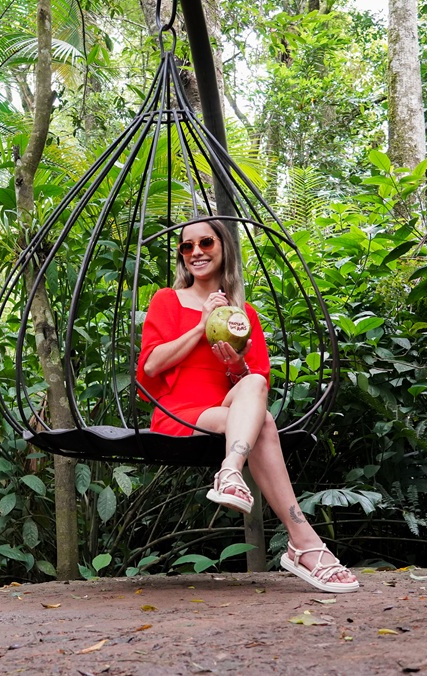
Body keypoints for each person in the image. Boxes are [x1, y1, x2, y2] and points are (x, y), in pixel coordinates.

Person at [135, 217, 358, 593]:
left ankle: (230, 473)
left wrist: (237, 366)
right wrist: (201, 324)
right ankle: (305, 545)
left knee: (254, 382)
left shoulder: (244, 316)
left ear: (223, 250)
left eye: (205, 243)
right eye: (187, 247)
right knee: (265, 425)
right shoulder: (166, 300)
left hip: (226, 412)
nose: (196, 253)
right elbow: (152, 365)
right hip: (179, 414)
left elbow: (253, 386)